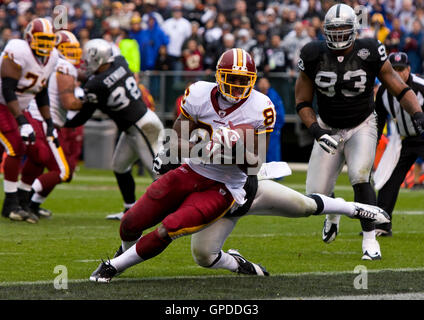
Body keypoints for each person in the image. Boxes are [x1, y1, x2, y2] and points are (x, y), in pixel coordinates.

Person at [89, 48, 275, 282]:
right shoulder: (198, 93)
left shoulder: (261, 107)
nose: (238, 85)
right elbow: (177, 140)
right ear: (219, 76)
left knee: (171, 226)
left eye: (243, 80)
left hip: (224, 184)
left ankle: (113, 267)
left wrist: (236, 147)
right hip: (192, 170)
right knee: (130, 222)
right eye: (232, 78)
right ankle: (125, 253)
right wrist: (182, 153)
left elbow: (254, 166)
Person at [295, 4, 424, 260]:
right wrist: (315, 129)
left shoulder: (370, 50)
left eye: (344, 29)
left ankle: (370, 239)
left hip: (361, 124)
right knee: (314, 195)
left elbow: (399, 87)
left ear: (354, 30)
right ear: (325, 31)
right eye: (335, 30)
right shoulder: (312, 54)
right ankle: (334, 212)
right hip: (328, 124)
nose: (340, 35)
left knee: (360, 176)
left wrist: (418, 113)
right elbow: (302, 101)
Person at [64, 39, 164, 220]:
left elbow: (85, 114)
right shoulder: (120, 63)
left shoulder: (95, 85)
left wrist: (63, 124)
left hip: (142, 127)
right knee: (119, 166)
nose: (85, 64)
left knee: (158, 173)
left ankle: (174, 211)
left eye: (87, 60)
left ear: (98, 59)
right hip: (136, 125)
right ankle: (129, 209)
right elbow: (114, 55)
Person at [16, 30, 84, 221]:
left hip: (36, 118)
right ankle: (24, 201)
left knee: (38, 163)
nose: (73, 53)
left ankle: (28, 203)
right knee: (62, 171)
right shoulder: (63, 66)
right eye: (68, 48)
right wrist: (89, 101)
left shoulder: (48, 63)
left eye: (75, 49)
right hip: (46, 123)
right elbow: (68, 102)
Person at [0, 18, 59, 223]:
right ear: (29, 38)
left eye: (49, 40)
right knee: (16, 145)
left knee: (39, 151)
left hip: (18, 108)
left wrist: (49, 122)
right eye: (41, 39)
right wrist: (21, 121)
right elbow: (7, 89)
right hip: (3, 104)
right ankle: (10, 203)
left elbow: (41, 93)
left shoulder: (52, 58)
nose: (45, 44)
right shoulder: (18, 50)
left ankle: (24, 199)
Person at [374, 52, 424, 236]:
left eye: (401, 69)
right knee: (389, 179)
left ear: (409, 70)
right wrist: (374, 142)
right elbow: (379, 118)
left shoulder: (420, 86)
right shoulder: (383, 91)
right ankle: (382, 224)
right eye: (393, 69)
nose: (397, 73)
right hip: (404, 140)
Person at [256, 77, 285, 163]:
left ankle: (275, 175)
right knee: (257, 153)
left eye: (265, 82)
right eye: (261, 82)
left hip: (272, 130)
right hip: (257, 129)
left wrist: (276, 128)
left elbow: (280, 114)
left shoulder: (274, 95)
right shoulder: (254, 95)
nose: (263, 85)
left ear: (269, 84)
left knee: (273, 153)